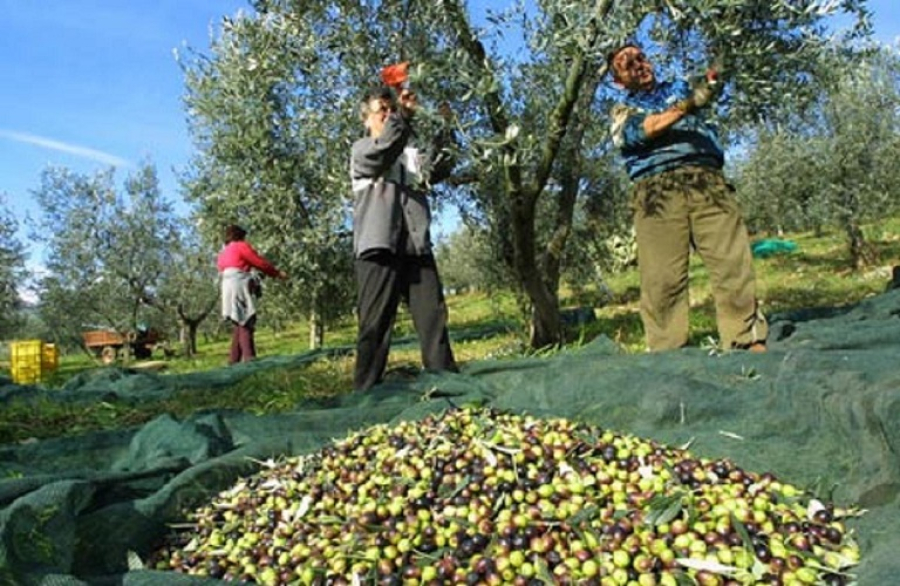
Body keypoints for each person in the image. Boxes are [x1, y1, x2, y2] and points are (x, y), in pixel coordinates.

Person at [607, 44, 768, 352]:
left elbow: (709, 83)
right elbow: (646, 129)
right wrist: (688, 106)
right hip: (656, 192)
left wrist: (717, 67)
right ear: (618, 81)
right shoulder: (622, 111)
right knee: (662, 279)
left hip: (707, 181)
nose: (638, 65)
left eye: (640, 57)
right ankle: (668, 350)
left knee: (732, 262)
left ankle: (746, 339)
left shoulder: (679, 87)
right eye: (627, 64)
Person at [350, 85, 458, 391]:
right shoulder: (361, 150)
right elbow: (384, 150)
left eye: (389, 109)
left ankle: (447, 383)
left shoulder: (411, 157)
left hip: (415, 248)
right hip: (377, 249)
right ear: (366, 120)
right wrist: (403, 116)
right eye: (380, 111)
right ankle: (366, 391)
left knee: (433, 321)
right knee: (374, 328)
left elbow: (438, 169)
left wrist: (446, 130)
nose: (386, 115)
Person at [217, 224, 288, 364]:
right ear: (240, 236)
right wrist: (277, 273)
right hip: (238, 284)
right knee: (246, 320)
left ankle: (233, 361)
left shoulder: (223, 252)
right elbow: (259, 262)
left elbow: (222, 267)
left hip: (226, 286)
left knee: (239, 321)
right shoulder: (240, 246)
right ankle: (250, 360)